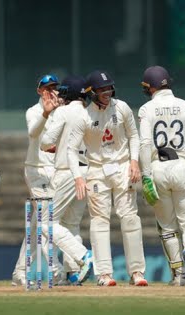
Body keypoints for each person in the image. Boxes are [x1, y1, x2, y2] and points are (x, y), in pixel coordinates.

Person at [67, 70, 147, 286]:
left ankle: (137, 272)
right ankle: (104, 274)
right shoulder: (83, 116)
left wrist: (134, 161)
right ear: (91, 92)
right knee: (100, 221)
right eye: (102, 89)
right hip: (96, 170)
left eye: (109, 87)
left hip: (122, 167)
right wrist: (78, 178)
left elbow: (134, 136)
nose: (107, 92)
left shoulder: (121, 108)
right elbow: (70, 150)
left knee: (130, 217)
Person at [138, 66, 185, 286]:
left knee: (167, 227)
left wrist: (146, 176)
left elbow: (146, 144)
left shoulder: (147, 109)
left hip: (157, 167)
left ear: (150, 87)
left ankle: (178, 275)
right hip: (182, 166)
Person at [11, 74, 66, 286]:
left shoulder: (62, 112)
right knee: (46, 221)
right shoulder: (33, 112)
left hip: (54, 171)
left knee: (37, 226)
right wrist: (46, 112)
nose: (50, 91)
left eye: (54, 87)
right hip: (35, 171)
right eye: (46, 88)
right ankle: (55, 269)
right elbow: (33, 133)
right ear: (39, 91)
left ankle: (20, 271)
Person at [40, 75, 94, 284]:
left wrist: (51, 115)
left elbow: (45, 142)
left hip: (66, 172)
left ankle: (83, 256)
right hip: (86, 173)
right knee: (72, 224)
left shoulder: (62, 112)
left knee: (46, 224)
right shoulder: (89, 114)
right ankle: (74, 273)